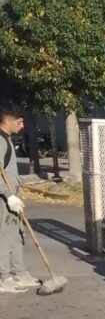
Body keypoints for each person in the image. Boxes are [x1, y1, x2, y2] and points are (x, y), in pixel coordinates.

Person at [0, 106, 36, 294]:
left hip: (12, 196)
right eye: (19, 122)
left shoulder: (7, 139)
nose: (22, 126)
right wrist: (8, 195)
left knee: (17, 234)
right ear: (7, 121)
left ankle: (19, 272)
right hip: (4, 198)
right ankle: (3, 277)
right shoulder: (0, 141)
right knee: (5, 238)